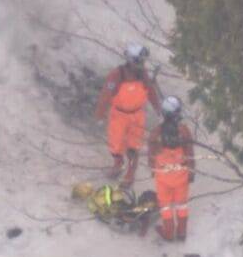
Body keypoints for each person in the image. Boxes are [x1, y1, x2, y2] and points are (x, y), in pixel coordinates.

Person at [93, 44, 162, 189]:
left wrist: (158, 110)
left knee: (133, 147)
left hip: (137, 115)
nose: (141, 65)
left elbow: (151, 92)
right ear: (131, 60)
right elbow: (105, 95)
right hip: (118, 115)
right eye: (139, 61)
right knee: (115, 144)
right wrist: (99, 115)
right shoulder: (117, 75)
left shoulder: (143, 75)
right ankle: (118, 164)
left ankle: (130, 174)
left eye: (142, 61)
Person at [147, 96, 196, 241]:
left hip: (163, 174)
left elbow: (151, 155)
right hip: (181, 173)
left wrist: (153, 169)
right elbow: (190, 153)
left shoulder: (156, 133)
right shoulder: (184, 131)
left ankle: (168, 233)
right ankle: (181, 233)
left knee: (165, 205)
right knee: (182, 204)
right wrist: (191, 171)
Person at [71, 182, 157, 236]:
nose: (87, 187)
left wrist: (109, 203)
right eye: (84, 188)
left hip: (121, 206)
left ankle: (144, 215)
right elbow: (98, 215)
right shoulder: (91, 202)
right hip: (119, 211)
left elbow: (109, 189)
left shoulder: (100, 191)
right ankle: (144, 218)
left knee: (137, 207)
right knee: (134, 212)